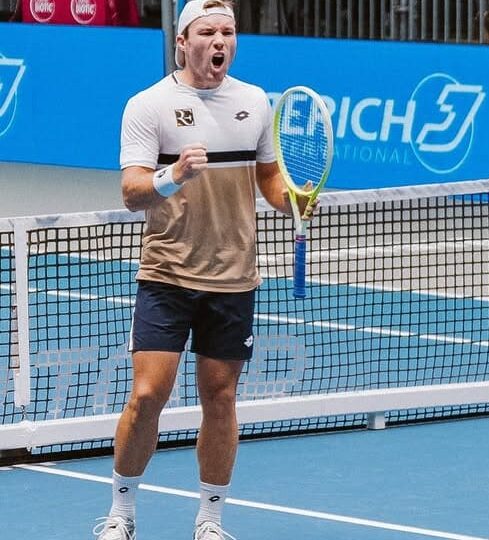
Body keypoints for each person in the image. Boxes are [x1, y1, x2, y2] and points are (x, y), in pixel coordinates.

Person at [94, 2, 311, 539]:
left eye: (229, 32)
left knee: (221, 398)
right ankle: (121, 513)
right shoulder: (149, 105)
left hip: (234, 280)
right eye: (208, 32)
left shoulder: (255, 102)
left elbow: (267, 180)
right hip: (167, 274)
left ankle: (210, 520)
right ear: (182, 41)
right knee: (148, 395)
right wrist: (174, 175)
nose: (221, 41)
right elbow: (132, 193)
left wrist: (293, 200)